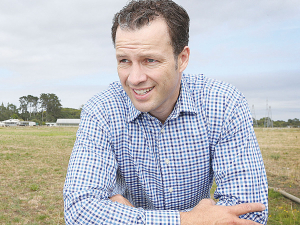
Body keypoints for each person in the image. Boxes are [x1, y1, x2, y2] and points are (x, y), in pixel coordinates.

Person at [63, 0, 268, 224]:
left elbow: (248, 213)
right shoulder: (102, 111)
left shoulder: (223, 103)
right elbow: (80, 209)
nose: (134, 78)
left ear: (182, 59)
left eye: (149, 60)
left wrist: (126, 218)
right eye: (124, 61)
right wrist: (188, 221)